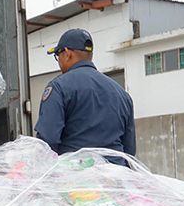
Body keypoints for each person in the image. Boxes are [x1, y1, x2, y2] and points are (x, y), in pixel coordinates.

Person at [35, 28, 136, 164]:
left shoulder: (59, 87)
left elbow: (47, 141)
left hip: (75, 179)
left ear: (67, 54)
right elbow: (129, 150)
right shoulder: (122, 94)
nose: (59, 61)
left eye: (58, 56)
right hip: (114, 179)